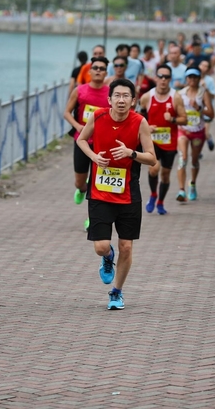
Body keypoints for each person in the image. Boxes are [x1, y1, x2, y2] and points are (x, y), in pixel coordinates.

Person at [76, 78, 156, 310]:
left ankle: (116, 292)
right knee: (101, 246)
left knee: (126, 246)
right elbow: (81, 139)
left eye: (126, 96)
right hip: (100, 192)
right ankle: (107, 257)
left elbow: (152, 158)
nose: (121, 100)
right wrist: (93, 157)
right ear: (109, 99)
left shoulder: (139, 122)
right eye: (117, 96)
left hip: (129, 193)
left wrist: (131, 153)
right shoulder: (98, 116)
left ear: (133, 100)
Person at [64, 56, 110, 230]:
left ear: (106, 72)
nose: (98, 71)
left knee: (97, 184)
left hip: (102, 143)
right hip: (82, 141)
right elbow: (67, 112)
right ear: (89, 71)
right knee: (80, 182)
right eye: (95, 68)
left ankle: (92, 218)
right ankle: (82, 189)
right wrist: (78, 126)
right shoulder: (80, 90)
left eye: (102, 68)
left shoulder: (110, 93)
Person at [139, 64, 187, 215]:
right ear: (156, 78)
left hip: (169, 142)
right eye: (160, 76)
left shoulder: (176, 97)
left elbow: (184, 119)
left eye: (166, 77)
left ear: (170, 79)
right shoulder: (147, 97)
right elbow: (139, 118)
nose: (163, 80)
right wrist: (146, 127)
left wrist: (172, 119)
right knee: (154, 169)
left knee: (165, 175)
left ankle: (160, 201)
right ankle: (153, 194)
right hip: (152, 141)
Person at [176, 67, 214, 202]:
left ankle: (192, 184)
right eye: (190, 77)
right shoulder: (180, 94)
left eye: (195, 77)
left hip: (198, 132)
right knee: (183, 158)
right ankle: (181, 190)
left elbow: (211, 114)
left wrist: (199, 108)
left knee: (194, 160)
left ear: (199, 78)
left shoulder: (203, 93)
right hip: (183, 131)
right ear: (186, 79)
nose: (192, 79)